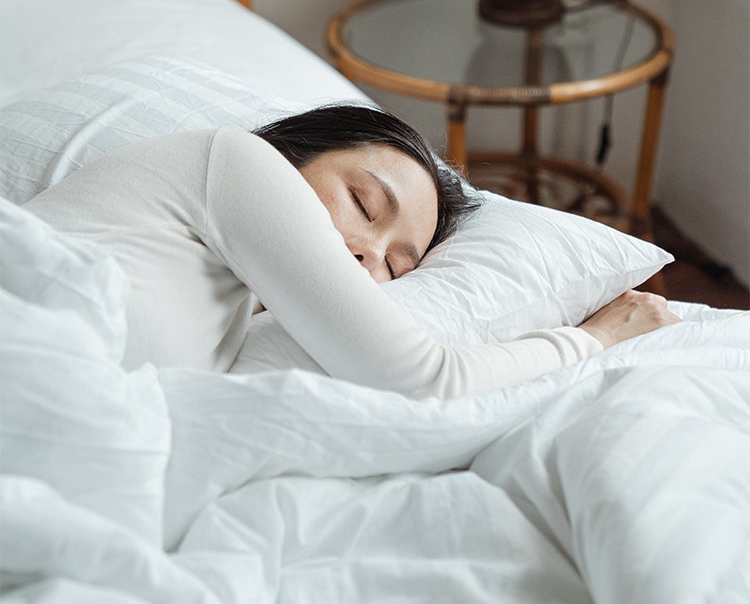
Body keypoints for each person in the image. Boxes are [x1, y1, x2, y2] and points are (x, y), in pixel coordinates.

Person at [24, 104, 679, 399]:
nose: (368, 256)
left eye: (396, 266)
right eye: (365, 205)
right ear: (288, 150)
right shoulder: (235, 161)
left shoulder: (231, 309)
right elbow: (425, 378)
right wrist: (592, 339)